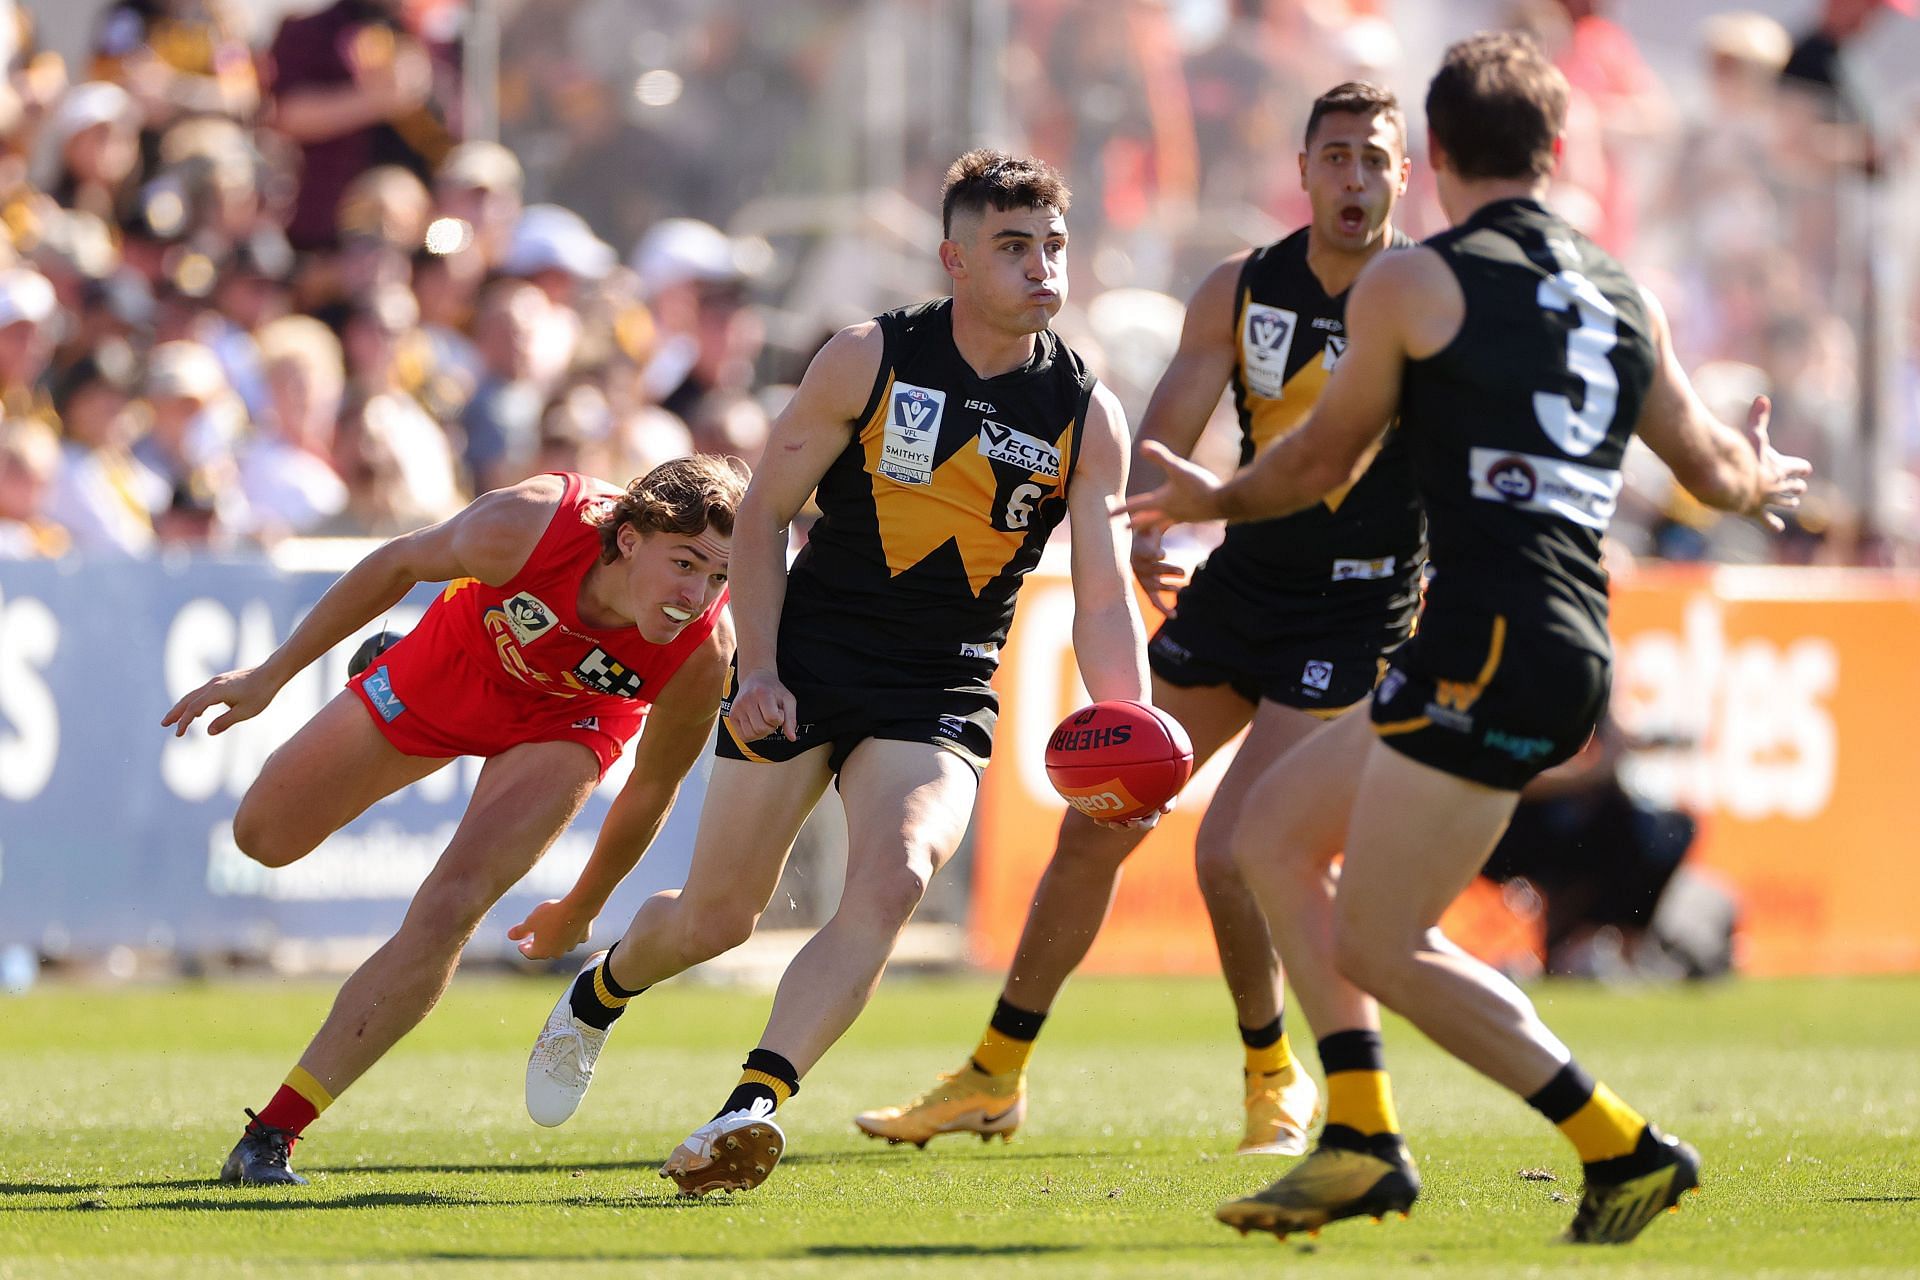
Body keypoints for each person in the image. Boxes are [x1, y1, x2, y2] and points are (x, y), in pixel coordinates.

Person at [1124, 32, 1809, 1245]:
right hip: (1554, 636)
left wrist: (1205, 499)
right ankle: (1363, 1136)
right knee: (1274, 836)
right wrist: (1761, 474)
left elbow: (1320, 461)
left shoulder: (1412, 283)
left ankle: (1617, 1145)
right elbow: (1711, 467)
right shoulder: (1621, 292)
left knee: (1381, 938)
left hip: (1487, 636)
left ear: (1434, 156)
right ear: (1556, 152)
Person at [522, 149, 1151, 1197]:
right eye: (1012, 245)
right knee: (720, 915)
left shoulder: (1089, 414)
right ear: (954, 258)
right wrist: (757, 664)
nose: (1042, 266)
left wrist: (1127, 718)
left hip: (940, 689)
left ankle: (752, 1101)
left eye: (1053, 246)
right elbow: (763, 513)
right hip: (805, 662)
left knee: (898, 871)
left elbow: (1098, 594)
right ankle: (599, 992)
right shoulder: (868, 357)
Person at [853, 82, 1424, 1159]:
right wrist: (1151, 531)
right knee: (1099, 815)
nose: (1356, 179)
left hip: (1356, 610)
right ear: (1301, 172)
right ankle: (994, 1071)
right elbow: (1159, 452)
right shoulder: (1240, 290)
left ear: (1405, 176)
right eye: (1337, 157)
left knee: (1243, 848)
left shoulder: (1430, 296)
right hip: (1246, 589)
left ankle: (1276, 1075)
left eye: (1376, 160)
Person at [161, 456, 747, 1184]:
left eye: (718, 578)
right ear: (629, 539)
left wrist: (582, 906)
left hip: (568, 727)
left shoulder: (704, 652)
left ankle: (274, 1133)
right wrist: (267, 676)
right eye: (685, 564)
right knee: (263, 838)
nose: (697, 596)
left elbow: (654, 784)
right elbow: (399, 563)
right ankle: (386, 663)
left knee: (449, 910)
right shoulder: (531, 524)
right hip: (454, 662)